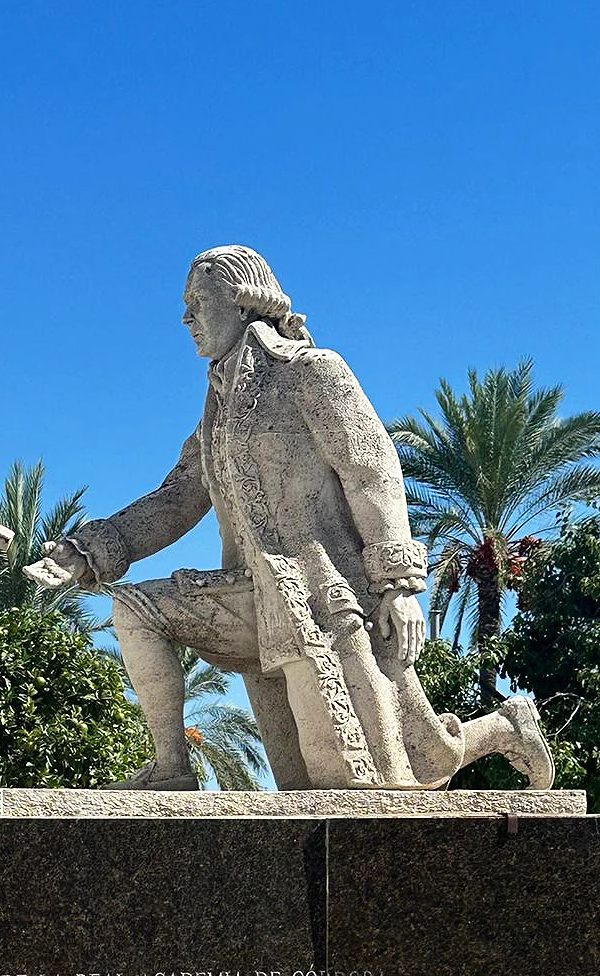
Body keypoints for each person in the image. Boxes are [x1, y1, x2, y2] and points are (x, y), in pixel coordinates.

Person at [36, 247, 553, 791]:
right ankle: (172, 769)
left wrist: (399, 586)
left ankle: (505, 728)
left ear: (243, 303)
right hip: (249, 594)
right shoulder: (216, 411)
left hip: (321, 594)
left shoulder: (311, 372)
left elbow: (371, 469)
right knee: (136, 610)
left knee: (375, 772)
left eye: (198, 301)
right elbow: (178, 498)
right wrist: (89, 551)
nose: (186, 318)